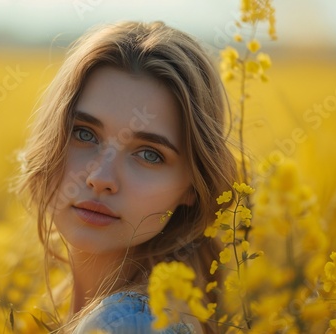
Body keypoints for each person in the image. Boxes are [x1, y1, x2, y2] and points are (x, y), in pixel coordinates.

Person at [16, 21, 237, 333]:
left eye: (149, 154)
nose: (100, 177)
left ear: (192, 188)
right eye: (84, 133)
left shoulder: (127, 324)